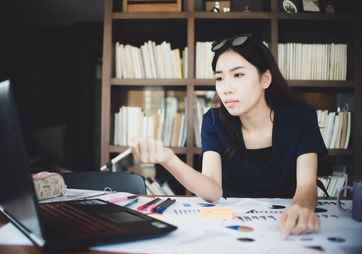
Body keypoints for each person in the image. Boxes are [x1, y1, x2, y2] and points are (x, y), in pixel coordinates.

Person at [129, 33, 327, 239]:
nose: (226, 88)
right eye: (219, 78)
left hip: (286, 225)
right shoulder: (214, 121)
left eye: (238, 75)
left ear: (265, 79)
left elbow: (306, 185)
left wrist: (301, 209)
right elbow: (213, 190)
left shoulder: (301, 117)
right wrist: (168, 159)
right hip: (233, 225)